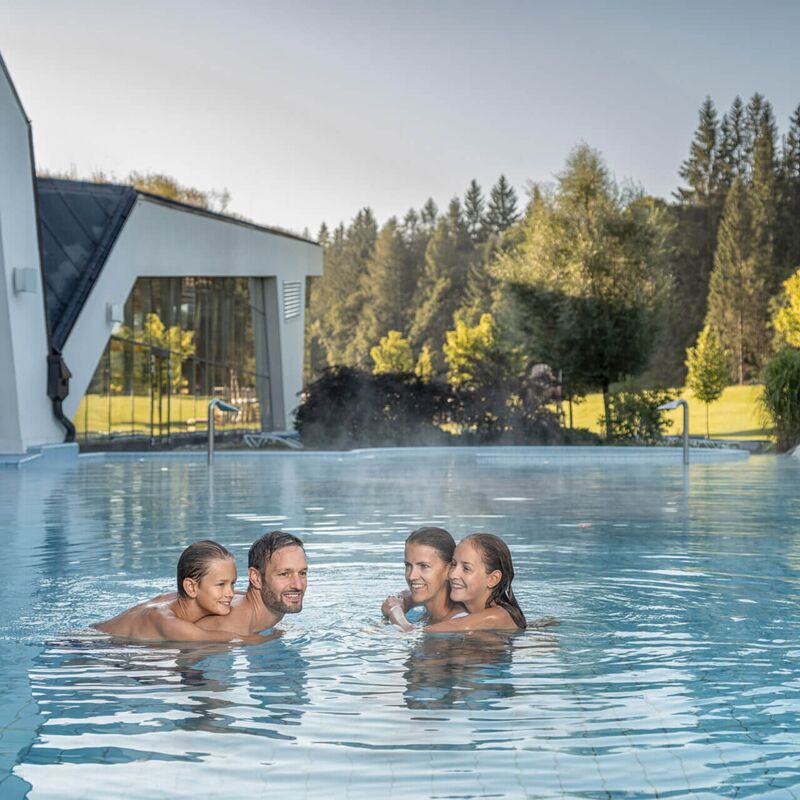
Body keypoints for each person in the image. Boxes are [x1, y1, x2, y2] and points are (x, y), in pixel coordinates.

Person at [94, 540, 263, 643]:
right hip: (94, 645)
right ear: (191, 587)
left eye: (232, 584)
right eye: (221, 585)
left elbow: (243, 595)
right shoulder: (168, 621)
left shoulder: (178, 599)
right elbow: (235, 639)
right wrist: (275, 634)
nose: (230, 593)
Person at [196, 530, 307, 637]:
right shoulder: (230, 631)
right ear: (256, 577)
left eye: (302, 573)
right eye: (284, 574)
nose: (298, 585)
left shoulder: (259, 608)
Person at [382, 527, 467, 631]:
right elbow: (403, 596)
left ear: (449, 570)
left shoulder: (460, 625)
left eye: (424, 566)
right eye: (408, 565)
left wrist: (394, 612)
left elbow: (409, 632)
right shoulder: (425, 615)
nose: (412, 576)